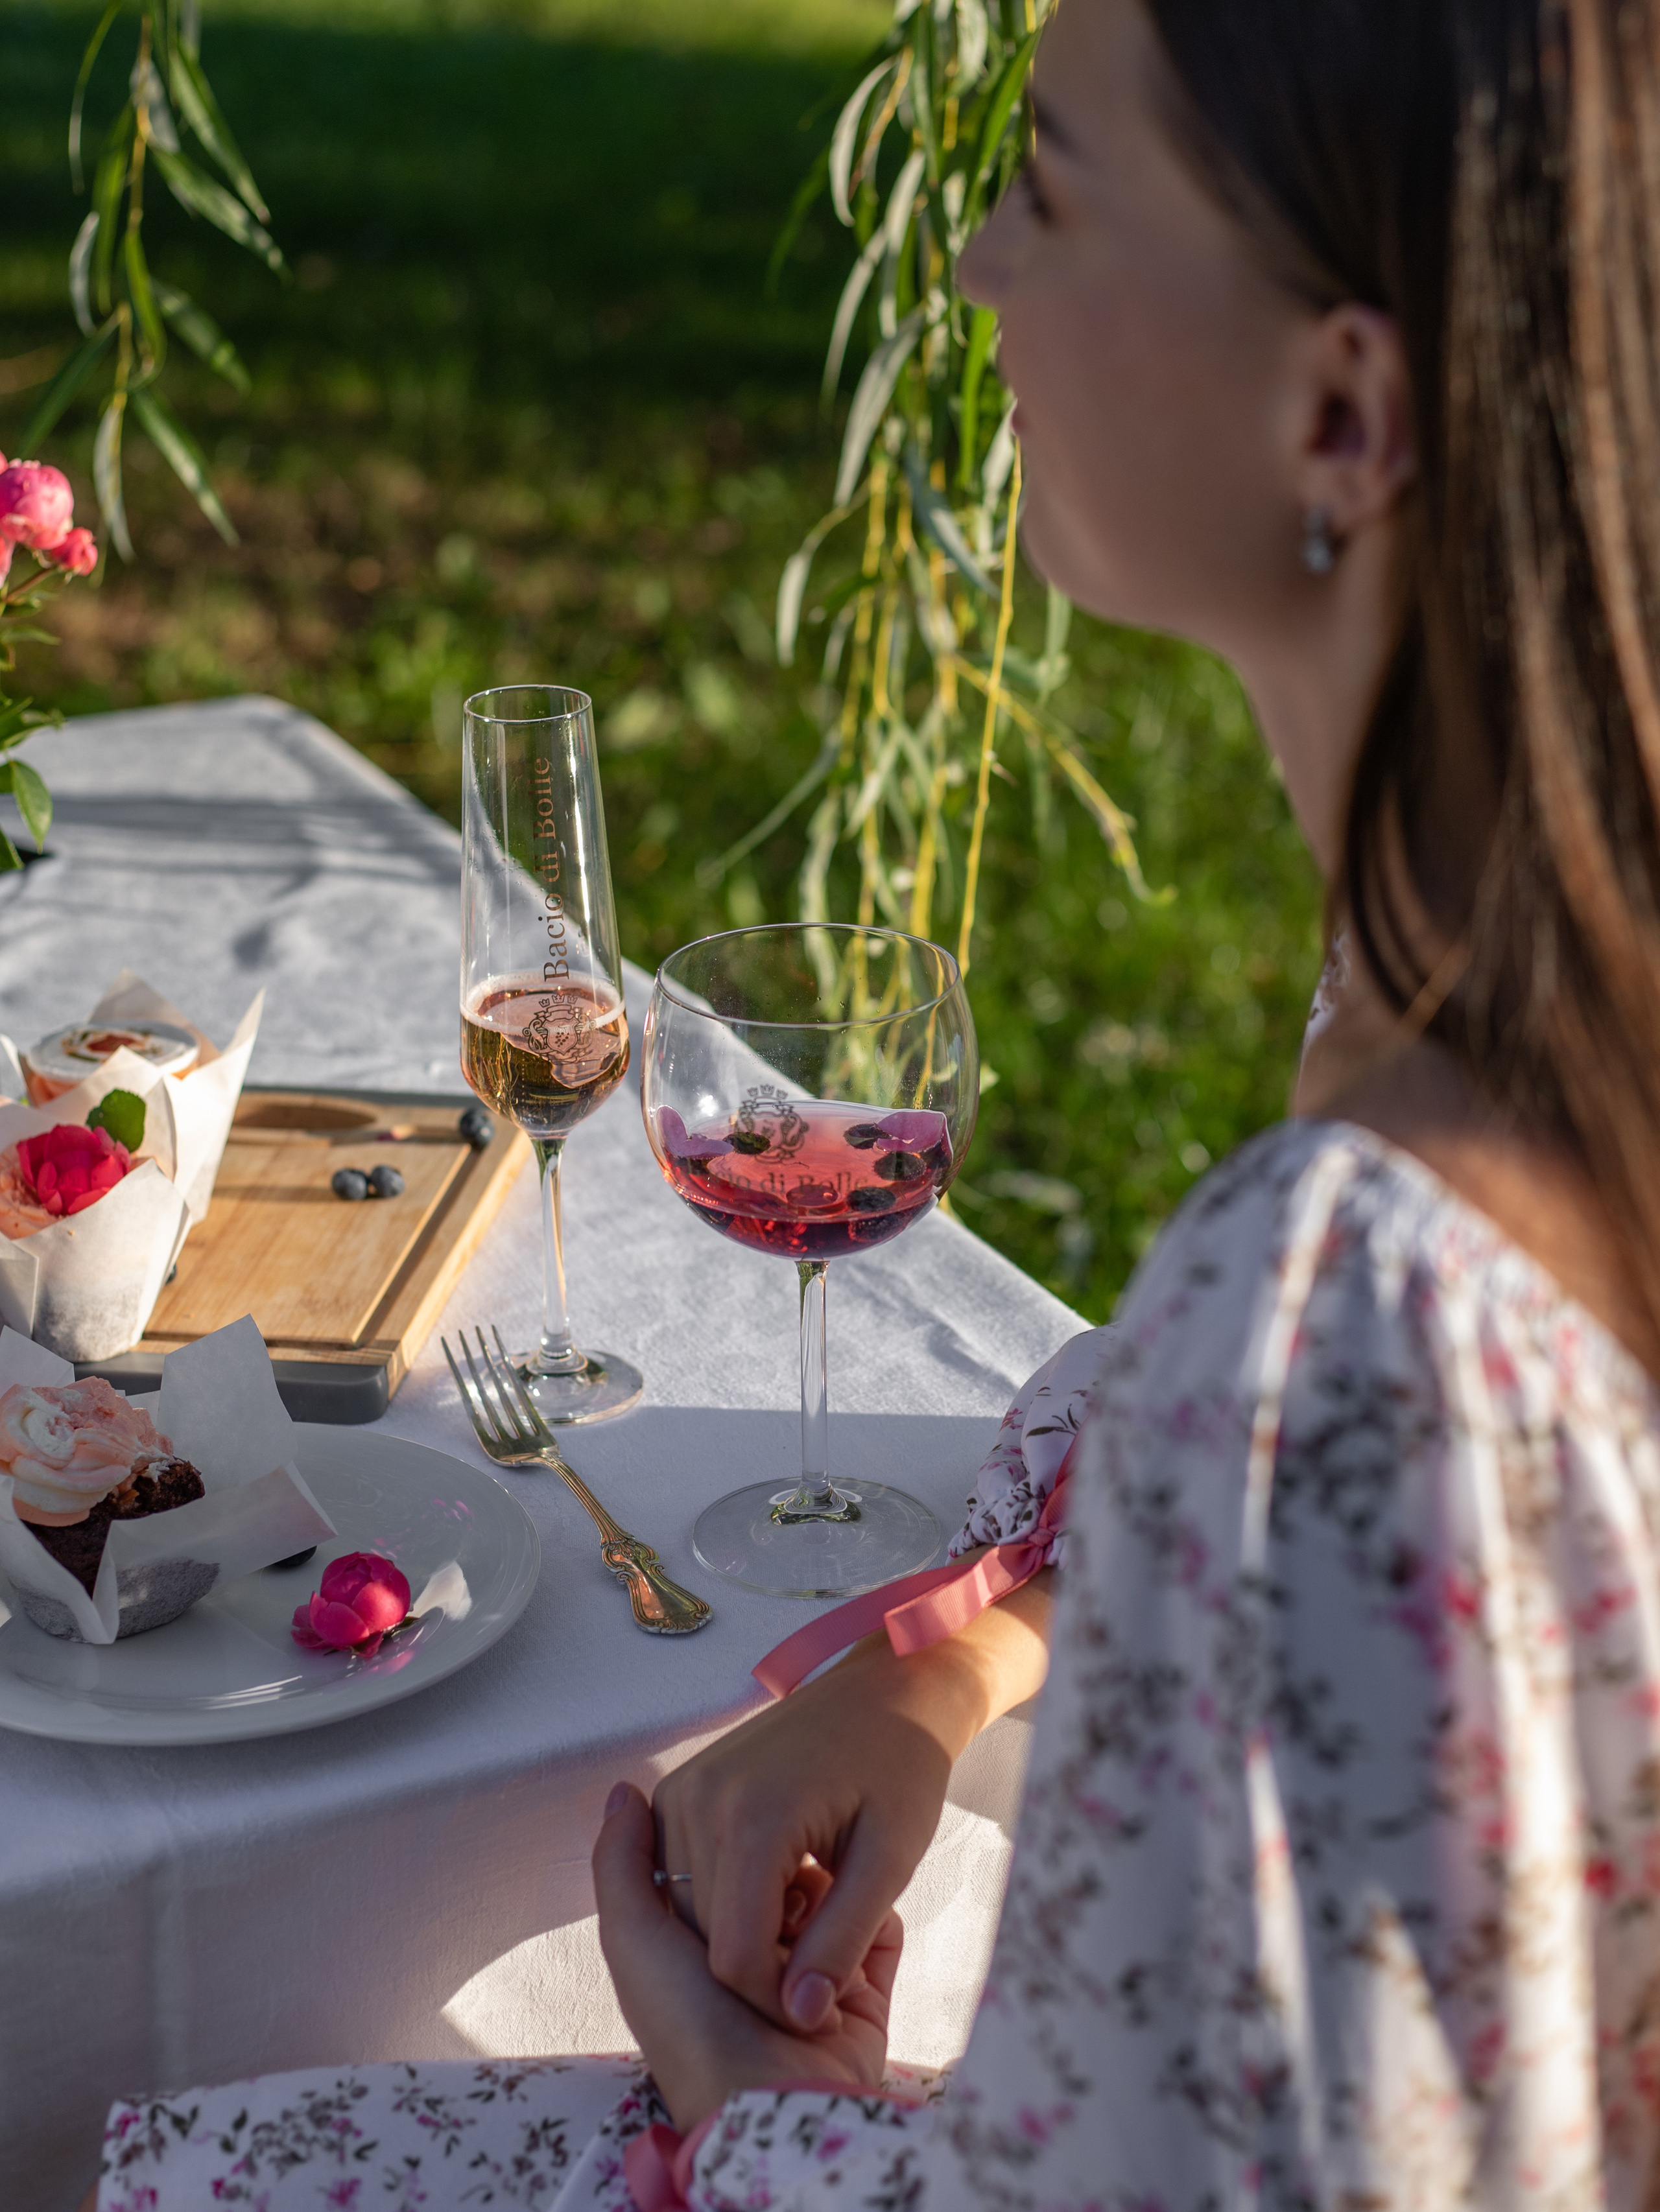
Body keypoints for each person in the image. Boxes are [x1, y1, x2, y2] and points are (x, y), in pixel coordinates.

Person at [89, 0, 1660, 2202]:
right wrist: (941, 1669)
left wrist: (749, 2106)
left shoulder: (1353, 1275)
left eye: (1051, 186)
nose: (979, 271)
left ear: (1343, 406)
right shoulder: (1516, 979)